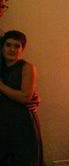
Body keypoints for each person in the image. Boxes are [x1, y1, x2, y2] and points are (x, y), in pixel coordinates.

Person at [0, 30, 44, 165]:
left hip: (21, 122)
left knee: (23, 158)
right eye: (8, 45)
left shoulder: (27, 67)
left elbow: (25, 97)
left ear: (22, 49)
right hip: (2, 121)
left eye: (17, 46)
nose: (12, 49)